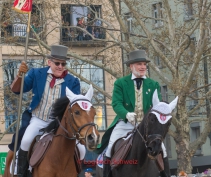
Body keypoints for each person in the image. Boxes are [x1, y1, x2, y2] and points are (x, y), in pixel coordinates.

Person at [95, 50, 170, 177]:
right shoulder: (120, 83)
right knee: (110, 146)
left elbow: (157, 106)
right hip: (125, 123)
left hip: (146, 127)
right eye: (139, 64)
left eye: (144, 64)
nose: (143, 67)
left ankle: (166, 174)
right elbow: (116, 104)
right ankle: (107, 174)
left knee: (163, 149)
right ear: (131, 66)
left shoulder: (153, 84)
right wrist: (126, 114)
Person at [10, 45, 83, 177]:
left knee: (82, 149)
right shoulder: (36, 73)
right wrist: (20, 75)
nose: (60, 66)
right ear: (49, 62)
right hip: (39, 119)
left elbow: (76, 106)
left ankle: (78, 172)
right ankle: (20, 173)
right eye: (57, 63)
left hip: (60, 124)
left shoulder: (73, 81)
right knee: (26, 141)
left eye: (63, 63)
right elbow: (17, 90)